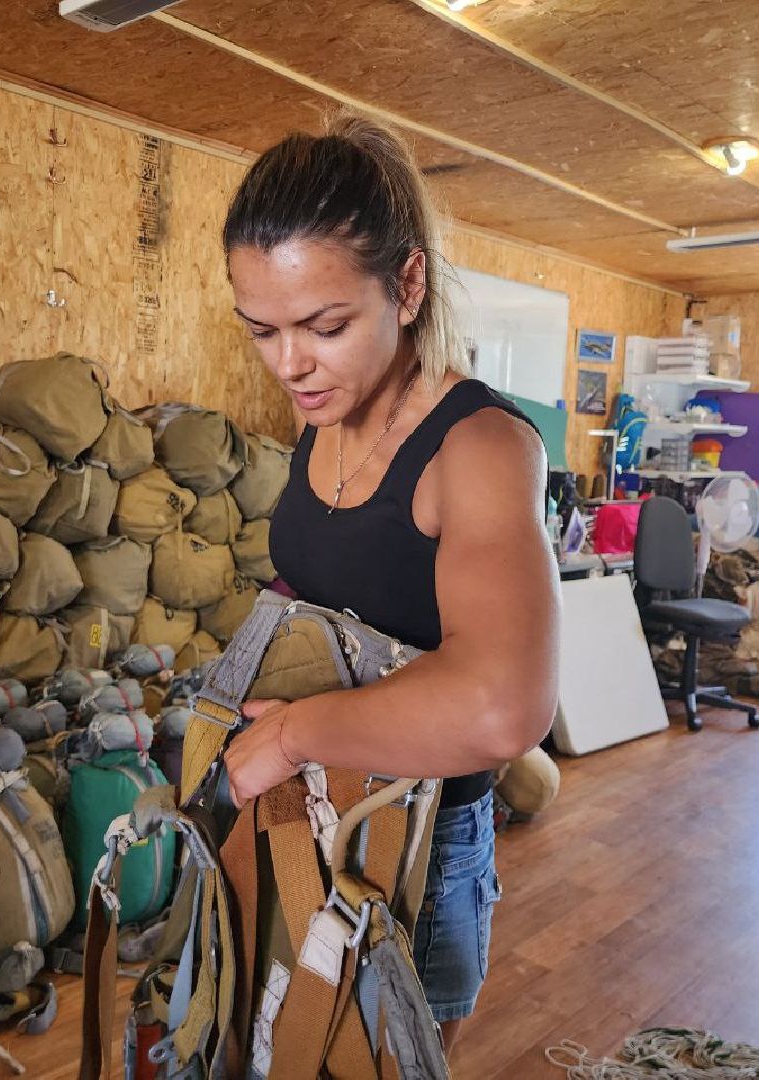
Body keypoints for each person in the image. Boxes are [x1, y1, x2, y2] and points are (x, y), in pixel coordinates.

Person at [218, 110, 561, 1056]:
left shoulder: (479, 449)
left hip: (417, 847)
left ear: (406, 283)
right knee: (278, 1048)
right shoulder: (326, 414)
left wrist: (292, 731)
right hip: (309, 810)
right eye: (264, 330)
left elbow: (502, 710)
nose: (291, 364)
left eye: (325, 326)